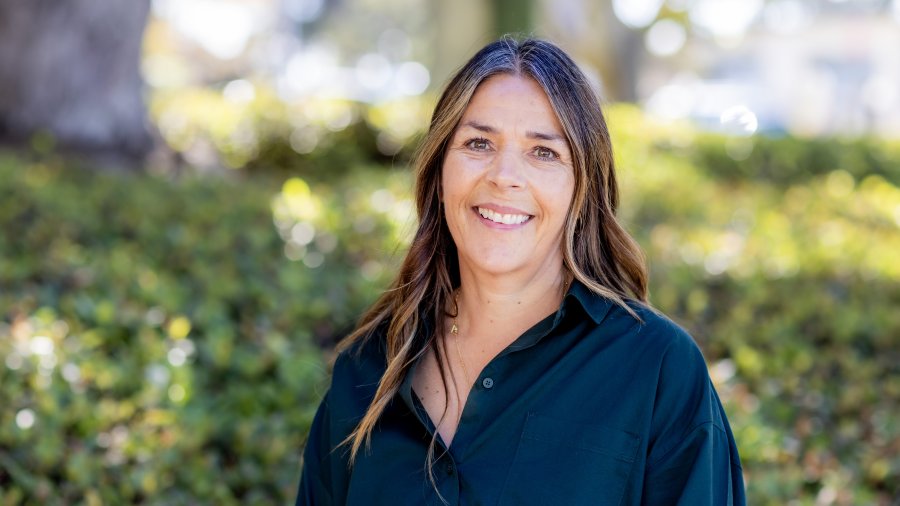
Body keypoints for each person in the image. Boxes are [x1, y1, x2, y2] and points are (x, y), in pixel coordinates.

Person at [296, 36, 745, 506]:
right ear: (439, 173)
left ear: (582, 187)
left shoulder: (657, 369)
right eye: (478, 143)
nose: (504, 175)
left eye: (543, 152)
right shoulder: (366, 369)